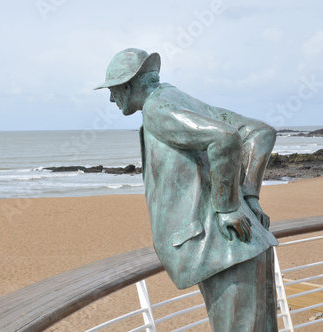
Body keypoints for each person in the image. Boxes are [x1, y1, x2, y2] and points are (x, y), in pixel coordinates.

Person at [95, 48, 279, 331]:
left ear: (129, 84)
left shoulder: (157, 108)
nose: (110, 98)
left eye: (113, 89)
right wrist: (250, 195)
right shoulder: (177, 98)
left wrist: (228, 207)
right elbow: (260, 133)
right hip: (248, 240)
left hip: (225, 250)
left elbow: (226, 138)